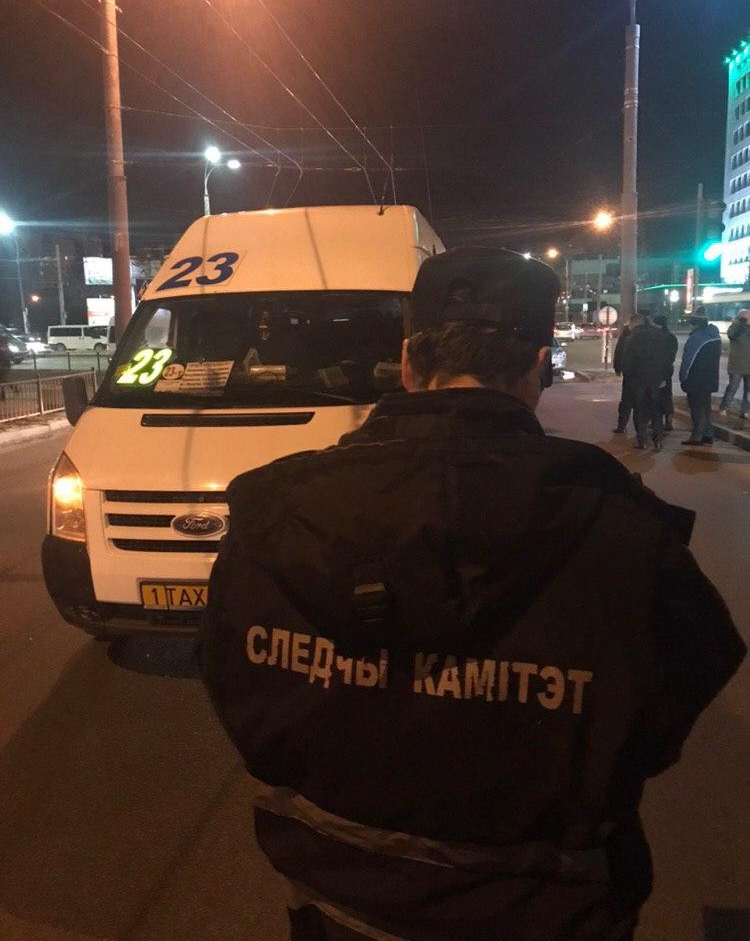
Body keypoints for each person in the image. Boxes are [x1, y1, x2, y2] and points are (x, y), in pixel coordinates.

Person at [200, 247, 745, 941]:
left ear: (407, 362)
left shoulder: (275, 510)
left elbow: (229, 673)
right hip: (549, 906)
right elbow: (673, 700)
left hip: (335, 895)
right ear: (539, 366)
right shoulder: (621, 528)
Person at [620, 314, 672, 452]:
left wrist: (627, 377)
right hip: (655, 380)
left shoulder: (632, 339)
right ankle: (658, 440)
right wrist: (664, 378)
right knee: (655, 410)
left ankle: (642, 441)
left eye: (630, 325)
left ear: (634, 324)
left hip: (638, 381)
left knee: (640, 410)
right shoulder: (659, 336)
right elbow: (666, 360)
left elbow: (627, 362)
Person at [679, 307, 722, 446]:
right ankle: (708, 434)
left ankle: (697, 436)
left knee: (697, 408)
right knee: (705, 407)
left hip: (695, 379)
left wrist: (683, 377)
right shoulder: (715, 336)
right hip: (709, 378)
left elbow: (688, 361)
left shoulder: (697, 338)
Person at [718, 309, 750, 421]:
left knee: (748, 390)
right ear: (742, 318)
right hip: (737, 364)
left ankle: (745, 411)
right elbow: (732, 335)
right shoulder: (735, 327)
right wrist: (744, 324)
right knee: (733, 387)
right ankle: (724, 407)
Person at [650, 314, 679, 432]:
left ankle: (657, 422)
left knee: (656, 397)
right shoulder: (671, 337)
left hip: (656, 371)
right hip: (667, 371)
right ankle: (668, 421)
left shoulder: (655, 337)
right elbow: (671, 356)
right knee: (667, 396)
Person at [612, 317, 635, 434]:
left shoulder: (627, 334)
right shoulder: (652, 334)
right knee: (639, 402)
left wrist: (618, 368)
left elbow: (619, 351)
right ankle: (642, 432)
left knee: (627, 401)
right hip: (642, 374)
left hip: (631, 374)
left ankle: (622, 426)